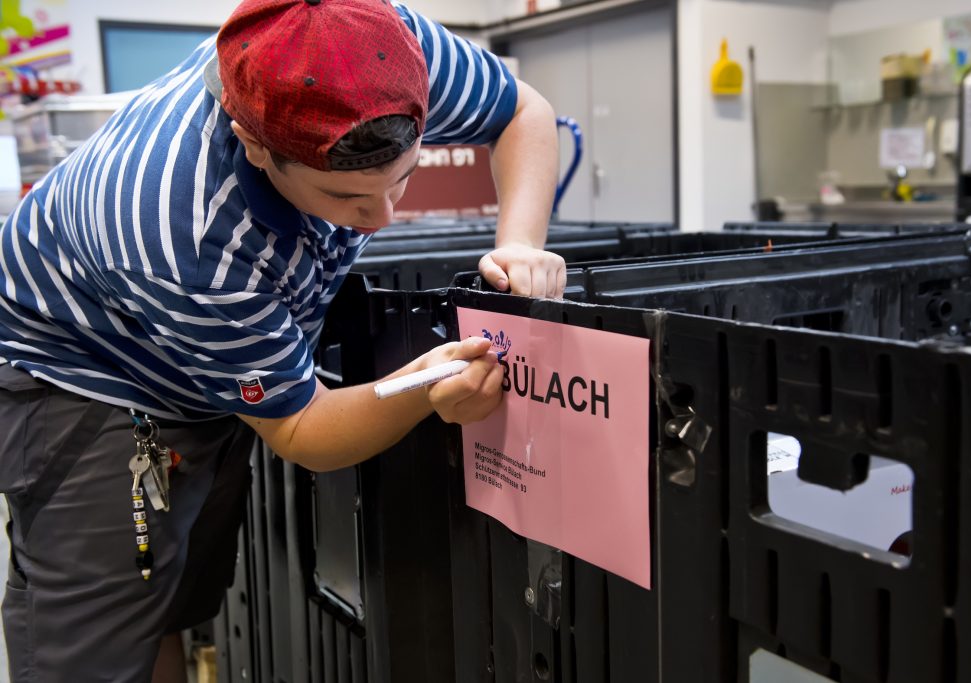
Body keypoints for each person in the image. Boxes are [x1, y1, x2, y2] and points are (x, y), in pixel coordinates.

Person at [0, 0, 566, 679]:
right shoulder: (181, 233)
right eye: (349, 199)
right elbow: (302, 430)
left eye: (403, 179)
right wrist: (423, 389)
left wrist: (521, 243)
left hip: (207, 356)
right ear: (255, 144)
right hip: (84, 374)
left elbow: (524, 113)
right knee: (100, 642)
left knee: (165, 603)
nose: (383, 218)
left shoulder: (382, 50)